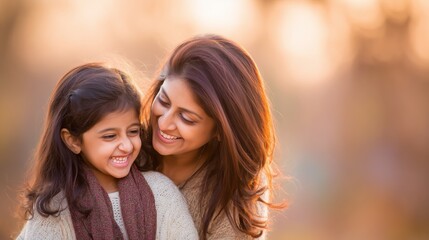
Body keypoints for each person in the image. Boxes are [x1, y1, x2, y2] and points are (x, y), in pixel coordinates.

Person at [17, 63, 198, 240]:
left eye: (133, 131)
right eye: (110, 136)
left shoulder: (161, 193)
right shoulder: (54, 209)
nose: (127, 146)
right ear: (73, 141)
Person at [141, 34, 283, 239]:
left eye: (186, 118)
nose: (163, 123)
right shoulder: (126, 144)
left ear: (220, 130)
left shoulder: (234, 200)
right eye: (163, 101)